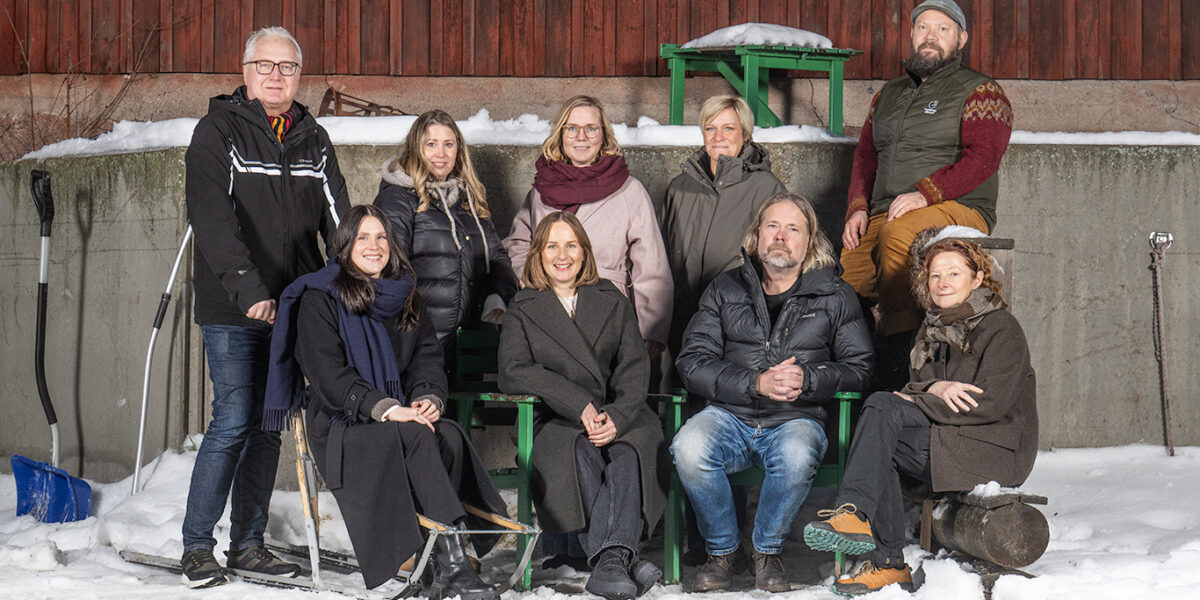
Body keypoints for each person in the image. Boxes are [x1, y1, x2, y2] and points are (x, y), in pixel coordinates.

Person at [180, 25, 350, 588]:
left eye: (288, 67)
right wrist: (249, 290)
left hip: (294, 309)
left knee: (268, 426)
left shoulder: (313, 138)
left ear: (299, 77)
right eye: (266, 65)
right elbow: (211, 220)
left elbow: (339, 222)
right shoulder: (218, 131)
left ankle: (248, 544)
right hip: (235, 308)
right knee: (233, 417)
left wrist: (348, 287)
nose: (277, 76)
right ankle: (197, 547)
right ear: (246, 70)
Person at [265, 205, 506, 598]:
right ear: (344, 245)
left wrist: (428, 397)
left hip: (399, 415)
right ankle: (456, 564)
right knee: (413, 435)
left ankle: (438, 567)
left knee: (446, 433)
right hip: (342, 425)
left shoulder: (404, 294)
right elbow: (329, 377)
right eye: (363, 237)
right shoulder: (319, 297)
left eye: (381, 237)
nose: (374, 246)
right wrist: (389, 408)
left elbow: (427, 358)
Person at [804, 235, 1037, 596]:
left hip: (995, 449)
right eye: (934, 275)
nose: (941, 282)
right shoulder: (933, 330)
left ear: (977, 279)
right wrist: (933, 389)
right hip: (950, 438)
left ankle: (860, 522)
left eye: (953, 273)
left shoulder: (1001, 328)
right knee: (883, 423)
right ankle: (883, 556)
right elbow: (915, 387)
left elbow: (988, 404)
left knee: (884, 411)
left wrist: (925, 393)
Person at [671, 193, 872, 593]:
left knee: (796, 454)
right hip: (729, 414)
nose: (781, 236)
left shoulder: (835, 294)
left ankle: (767, 550)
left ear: (810, 241)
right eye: (772, 226)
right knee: (688, 447)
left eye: (792, 228)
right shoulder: (724, 288)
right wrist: (753, 383)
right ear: (756, 235)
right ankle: (724, 552)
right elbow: (691, 362)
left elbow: (861, 369)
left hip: (795, 418)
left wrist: (809, 380)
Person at [498, 212, 667, 600]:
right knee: (580, 449)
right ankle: (621, 558)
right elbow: (513, 370)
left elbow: (633, 367)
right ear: (538, 254)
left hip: (619, 412)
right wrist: (580, 405)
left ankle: (612, 560)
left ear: (584, 251)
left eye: (571, 245)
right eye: (552, 246)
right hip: (558, 421)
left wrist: (618, 416)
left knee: (629, 451)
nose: (563, 255)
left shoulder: (611, 297)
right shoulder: (524, 306)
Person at [840, 0, 1014, 374]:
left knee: (897, 237)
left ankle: (902, 361)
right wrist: (857, 208)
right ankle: (855, 364)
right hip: (887, 208)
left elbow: (984, 158)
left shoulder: (981, 91)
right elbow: (865, 157)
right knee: (846, 270)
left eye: (942, 29)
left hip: (959, 205)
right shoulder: (888, 94)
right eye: (923, 28)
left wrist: (926, 193)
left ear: (961, 39)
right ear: (913, 35)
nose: (930, 37)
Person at [503, 95, 672, 359]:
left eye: (591, 128)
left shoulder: (629, 191)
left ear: (603, 135)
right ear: (561, 134)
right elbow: (517, 242)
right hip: (549, 314)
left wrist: (650, 331)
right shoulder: (542, 190)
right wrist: (529, 276)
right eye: (572, 128)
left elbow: (651, 267)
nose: (581, 136)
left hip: (608, 317)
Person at [374, 109, 518, 349]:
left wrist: (498, 294)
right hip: (419, 344)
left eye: (449, 145)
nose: (441, 154)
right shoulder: (398, 200)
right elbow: (389, 271)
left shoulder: (467, 198)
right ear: (416, 148)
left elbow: (497, 257)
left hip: (466, 342)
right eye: (431, 144)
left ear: (458, 151)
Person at [660, 94, 786, 358]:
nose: (718, 136)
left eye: (728, 128)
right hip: (681, 313)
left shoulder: (767, 188)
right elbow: (663, 255)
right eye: (710, 128)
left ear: (746, 135)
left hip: (736, 320)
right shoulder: (679, 188)